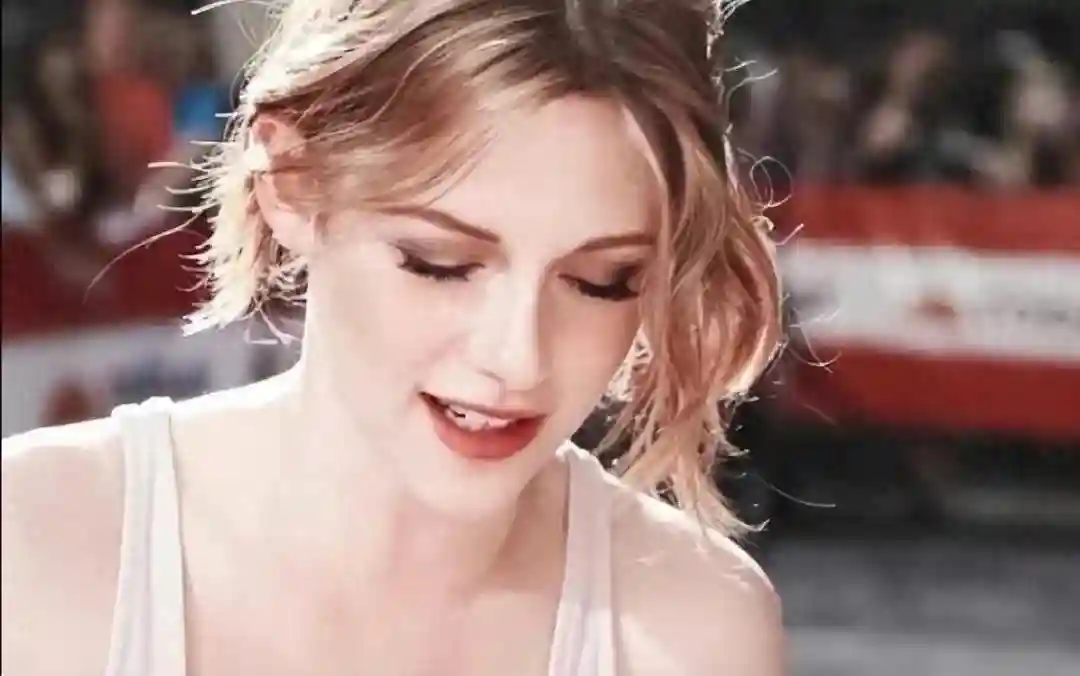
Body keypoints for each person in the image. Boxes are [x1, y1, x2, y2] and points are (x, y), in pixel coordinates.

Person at [2, 1, 786, 674]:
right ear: (291, 182)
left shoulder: (692, 629)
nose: (517, 357)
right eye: (440, 263)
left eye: (601, 280)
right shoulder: (34, 548)